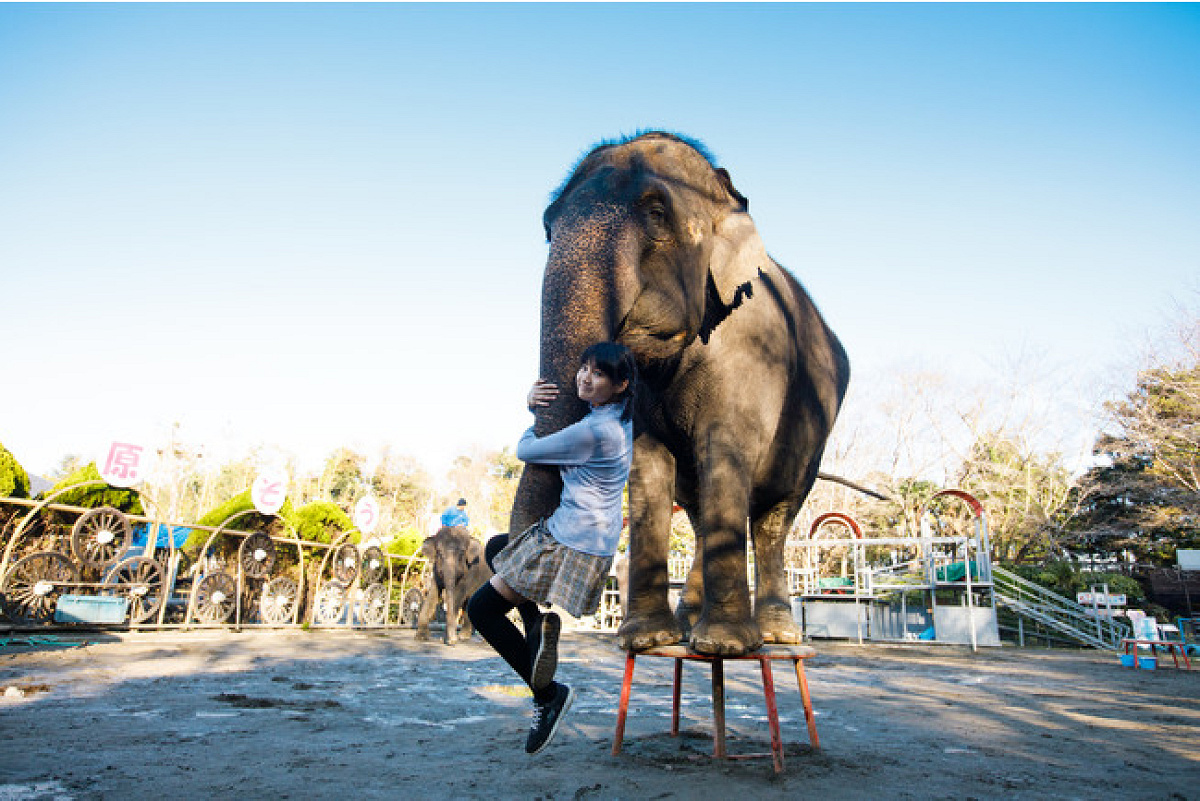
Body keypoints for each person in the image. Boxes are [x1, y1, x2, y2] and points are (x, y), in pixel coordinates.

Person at [467, 341, 636, 755]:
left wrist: (533, 411)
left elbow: (526, 450)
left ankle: (547, 695)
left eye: (597, 374)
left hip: (568, 543)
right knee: (497, 548)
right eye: (583, 368)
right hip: (589, 542)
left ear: (620, 384)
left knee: (481, 610)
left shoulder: (594, 431)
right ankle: (536, 629)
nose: (584, 377)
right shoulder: (619, 419)